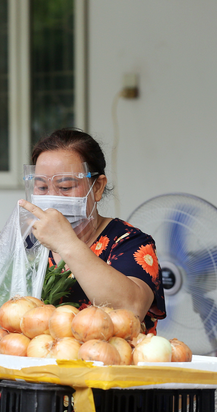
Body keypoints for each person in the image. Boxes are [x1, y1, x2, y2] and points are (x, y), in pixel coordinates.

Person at [18, 128, 166, 333]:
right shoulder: (30, 245)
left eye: (66, 186)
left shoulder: (129, 242)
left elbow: (132, 309)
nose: (52, 198)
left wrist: (65, 242)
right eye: (42, 188)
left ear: (97, 187)